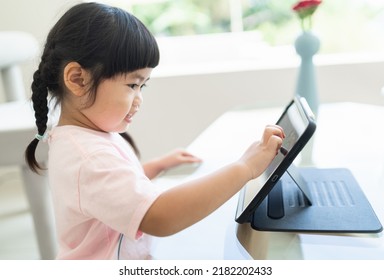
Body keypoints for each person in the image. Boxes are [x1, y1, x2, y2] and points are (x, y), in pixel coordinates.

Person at [25, 2, 284, 260]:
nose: (139, 99)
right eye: (132, 85)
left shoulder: (83, 139)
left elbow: (114, 188)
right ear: (78, 80)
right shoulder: (89, 157)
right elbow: (159, 217)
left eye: (143, 87)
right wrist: (245, 168)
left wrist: (154, 167)